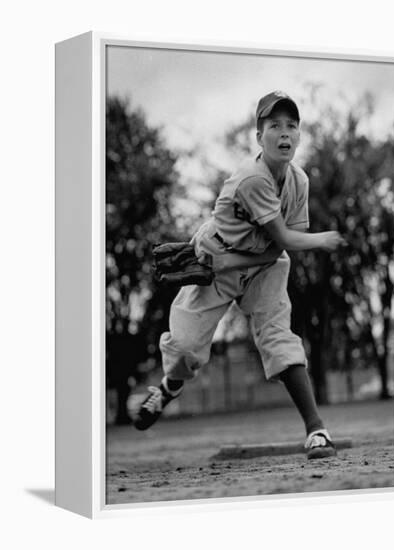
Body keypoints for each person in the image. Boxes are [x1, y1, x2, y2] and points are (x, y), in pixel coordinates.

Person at [134, 91, 346, 459]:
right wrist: (321, 240)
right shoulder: (252, 179)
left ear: (299, 135)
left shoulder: (299, 182)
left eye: (291, 126)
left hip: (261, 266)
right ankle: (169, 387)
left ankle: (316, 429)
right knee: (184, 349)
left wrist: (253, 258)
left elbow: (281, 246)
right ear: (259, 136)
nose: (284, 133)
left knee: (279, 337)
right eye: (274, 125)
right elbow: (284, 237)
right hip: (213, 260)